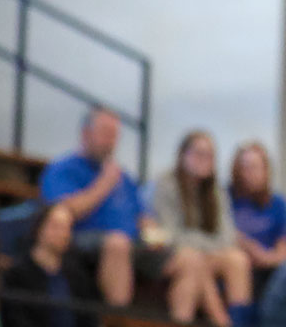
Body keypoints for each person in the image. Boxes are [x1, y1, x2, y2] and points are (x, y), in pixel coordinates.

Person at [37, 108, 208, 319]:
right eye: (106, 133)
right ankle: (119, 320)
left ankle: (180, 321)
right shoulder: (63, 169)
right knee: (118, 243)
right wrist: (103, 185)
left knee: (190, 258)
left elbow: (143, 217)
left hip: (134, 245)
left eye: (115, 136)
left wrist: (156, 236)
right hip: (83, 243)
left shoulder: (123, 177)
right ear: (85, 133)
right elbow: (61, 212)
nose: (111, 142)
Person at [151, 131, 253, 327]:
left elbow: (228, 236)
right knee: (193, 261)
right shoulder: (165, 185)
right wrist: (206, 247)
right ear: (183, 155)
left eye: (209, 156)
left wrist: (204, 248)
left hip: (205, 254)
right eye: (199, 153)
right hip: (170, 255)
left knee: (238, 259)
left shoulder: (217, 190)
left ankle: (239, 322)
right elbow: (169, 235)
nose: (204, 160)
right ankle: (223, 322)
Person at [0, 203, 95, 327]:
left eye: (67, 228)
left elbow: (89, 318)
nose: (63, 234)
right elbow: (15, 319)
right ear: (40, 228)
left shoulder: (76, 275)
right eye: (56, 227)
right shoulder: (16, 275)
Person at [226, 143, 286, 279]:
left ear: (266, 171)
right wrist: (249, 248)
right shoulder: (225, 199)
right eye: (246, 168)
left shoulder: (278, 203)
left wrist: (264, 257)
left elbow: (284, 251)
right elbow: (225, 235)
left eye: (255, 167)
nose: (250, 174)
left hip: (269, 270)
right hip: (232, 267)